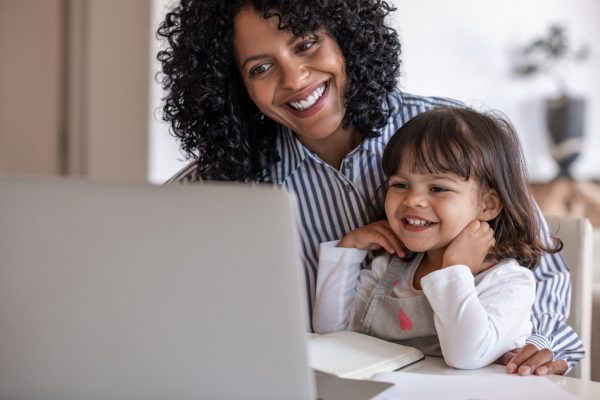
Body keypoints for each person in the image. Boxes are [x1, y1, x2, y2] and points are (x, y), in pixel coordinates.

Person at [157, 0, 583, 375]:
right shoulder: (218, 184)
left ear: (346, 37)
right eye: (261, 68)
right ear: (236, 88)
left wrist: (538, 345)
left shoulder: (453, 137)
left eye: (306, 44)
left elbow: (540, 270)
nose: (295, 77)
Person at [313, 107, 561, 369]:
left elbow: (465, 356)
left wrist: (456, 270)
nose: (413, 200)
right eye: (400, 185)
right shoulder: (389, 269)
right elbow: (332, 334)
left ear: (487, 205)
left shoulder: (507, 281)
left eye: (438, 188)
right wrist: (349, 248)